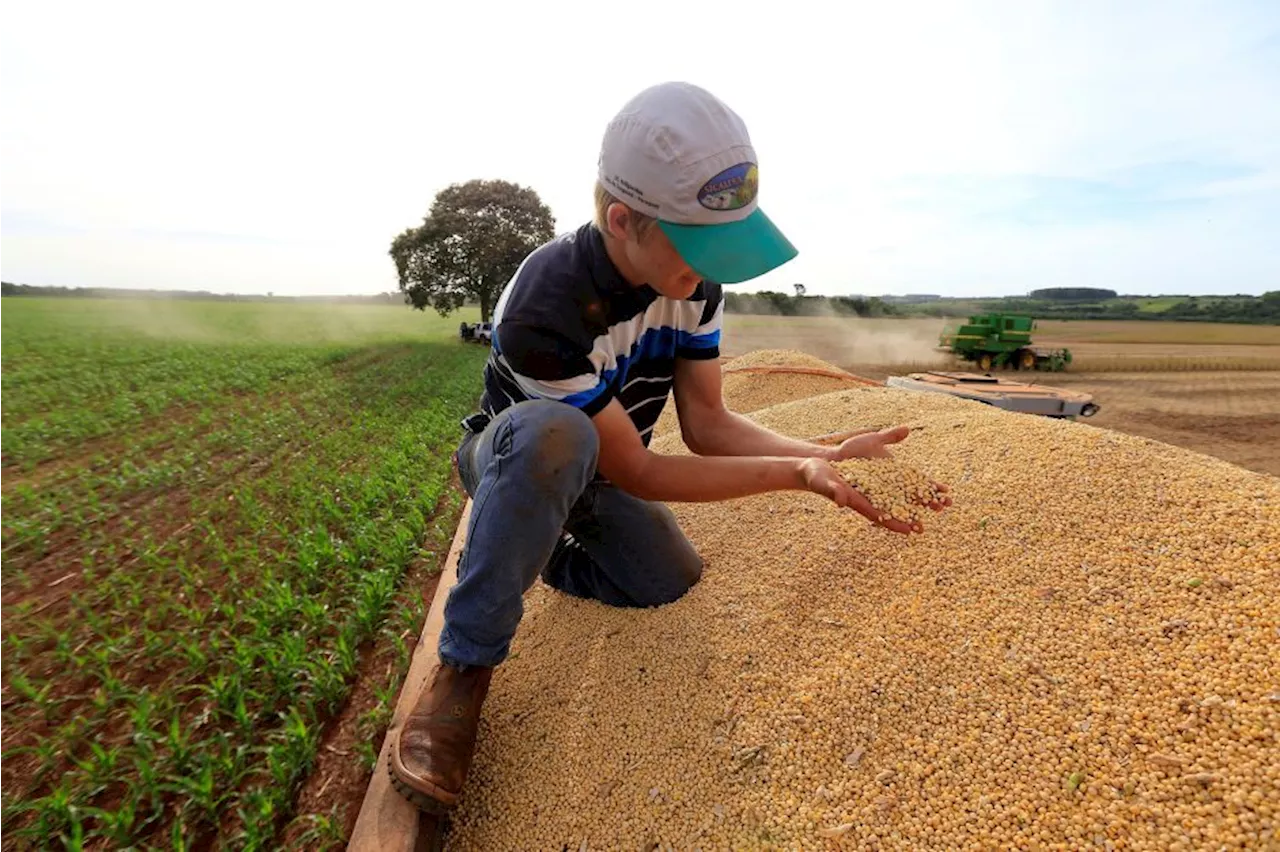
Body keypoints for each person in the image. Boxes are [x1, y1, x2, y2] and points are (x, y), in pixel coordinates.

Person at [388, 80, 950, 814]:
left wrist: (829, 454)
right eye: (696, 247)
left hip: (603, 466)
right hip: (516, 453)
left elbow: (709, 423)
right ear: (623, 221)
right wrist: (795, 476)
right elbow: (644, 468)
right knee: (557, 435)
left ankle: (522, 547)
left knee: (664, 577)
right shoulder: (543, 306)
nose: (707, 269)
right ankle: (462, 667)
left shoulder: (694, 287)